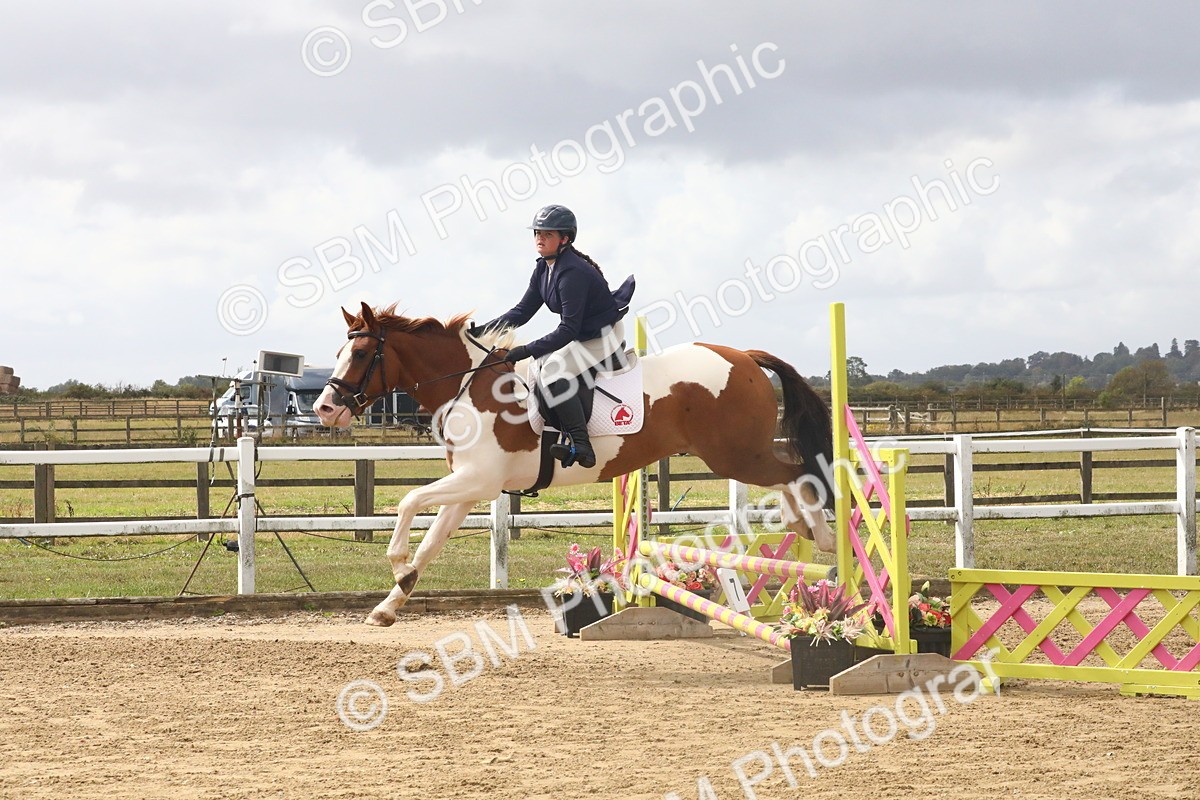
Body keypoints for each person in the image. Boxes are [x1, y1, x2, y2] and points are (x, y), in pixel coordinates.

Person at [476, 204, 635, 468]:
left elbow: (568, 330)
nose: (540, 238)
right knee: (540, 367)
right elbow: (522, 312)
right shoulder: (543, 268)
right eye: (537, 232)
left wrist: (527, 349)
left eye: (547, 234)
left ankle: (582, 445)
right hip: (583, 333)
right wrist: (483, 332)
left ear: (565, 239)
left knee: (552, 372)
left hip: (602, 336)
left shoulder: (572, 272)